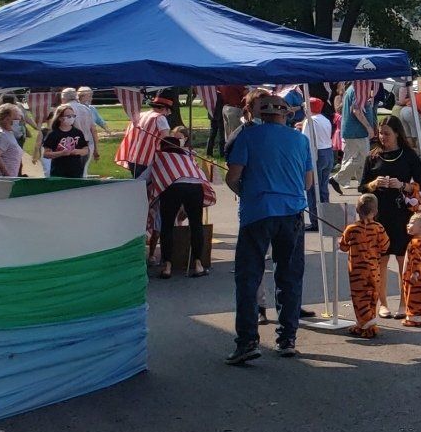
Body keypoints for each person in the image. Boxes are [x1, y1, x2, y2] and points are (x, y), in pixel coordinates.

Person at [223, 94, 315, 364]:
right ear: (287, 114)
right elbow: (308, 183)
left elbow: (232, 177)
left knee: (249, 277)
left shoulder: (248, 137)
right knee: (289, 276)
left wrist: (247, 191)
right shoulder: (300, 139)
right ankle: (287, 338)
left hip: (257, 213)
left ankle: (247, 341)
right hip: (292, 213)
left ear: (260, 114)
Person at [359, 114, 421, 319]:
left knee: (402, 259)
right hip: (380, 213)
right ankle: (383, 303)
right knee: (380, 259)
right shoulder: (373, 156)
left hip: (401, 213)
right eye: (380, 133)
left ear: (397, 133)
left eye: (387, 134)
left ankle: (403, 302)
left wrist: (402, 185)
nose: (383, 137)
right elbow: (362, 186)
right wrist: (374, 184)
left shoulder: (409, 155)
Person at [147, 133, 213, 279]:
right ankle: (198, 264)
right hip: (195, 186)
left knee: (167, 226)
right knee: (196, 224)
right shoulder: (187, 156)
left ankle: (167, 266)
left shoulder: (159, 156)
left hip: (172, 187)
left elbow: (149, 177)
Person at [338, 195, 392, 338]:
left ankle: (366, 324)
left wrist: (345, 241)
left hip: (357, 270)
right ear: (375, 211)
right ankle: (366, 324)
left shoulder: (351, 228)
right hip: (374, 268)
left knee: (359, 297)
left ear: (357, 210)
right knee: (372, 295)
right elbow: (385, 246)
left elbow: (343, 247)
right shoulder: (379, 228)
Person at [118, 95, 174, 178]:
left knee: (137, 182)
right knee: (146, 185)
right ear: (163, 108)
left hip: (132, 156)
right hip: (148, 159)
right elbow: (166, 139)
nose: (168, 114)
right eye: (168, 111)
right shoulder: (159, 118)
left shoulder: (140, 115)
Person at [300, 98, 334, 233]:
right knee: (323, 188)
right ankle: (326, 217)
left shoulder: (310, 121)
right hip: (327, 151)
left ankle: (315, 221)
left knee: (313, 189)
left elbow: (305, 141)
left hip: (317, 154)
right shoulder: (324, 119)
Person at [338, 81, 376, 190]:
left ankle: (361, 182)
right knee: (363, 158)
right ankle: (338, 179)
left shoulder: (352, 89)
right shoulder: (356, 90)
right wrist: (369, 127)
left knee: (351, 157)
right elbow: (356, 110)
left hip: (352, 131)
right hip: (357, 131)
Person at [42, 104, 92, 179]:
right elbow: (46, 154)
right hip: (59, 170)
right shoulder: (53, 134)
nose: (71, 118)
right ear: (60, 118)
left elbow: (86, 150)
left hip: (76, 170)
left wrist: (77, 151)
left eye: (73, 116)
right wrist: (61, 153)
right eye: (68, 116)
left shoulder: (78, 132)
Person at [0, 106, 27, 176]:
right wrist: (7, 174)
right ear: (7, 119)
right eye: (17, 120)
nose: (19, 122)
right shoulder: (1, 135)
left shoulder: (7, 131)